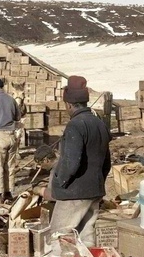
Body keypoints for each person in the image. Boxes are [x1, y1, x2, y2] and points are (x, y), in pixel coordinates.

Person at [47, 77, 111, 246]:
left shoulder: (75, 125)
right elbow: (107, 161)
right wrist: (98, 182)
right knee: (86, 239)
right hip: (94, 191)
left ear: (68, 104)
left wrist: (60, 181)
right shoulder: (99, 124)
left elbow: (71, 162)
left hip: (75, 193)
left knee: (59, 238)